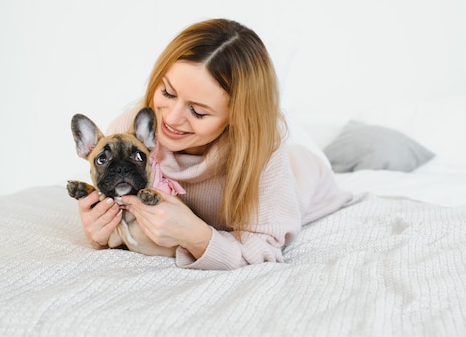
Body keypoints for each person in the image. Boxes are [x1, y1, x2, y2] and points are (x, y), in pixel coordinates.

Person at [77, 18, 352, 270]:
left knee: (312, 143)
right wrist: (98, 231)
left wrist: (196, 235)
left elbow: (265, 249)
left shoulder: (264, 152)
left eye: (198, 111)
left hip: (305, 173)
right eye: (168, 92)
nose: (170, 119)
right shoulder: (131, 131)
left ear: (237, 117)